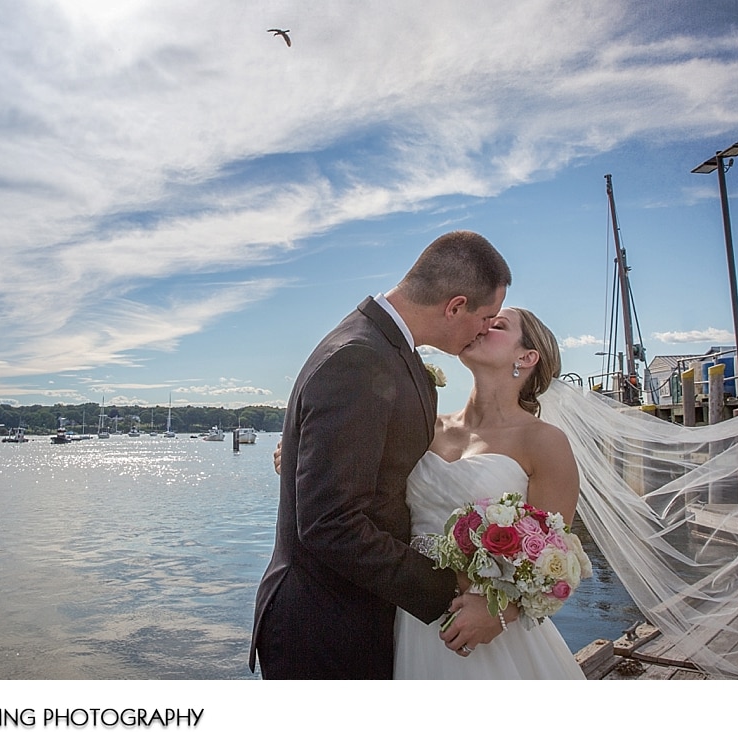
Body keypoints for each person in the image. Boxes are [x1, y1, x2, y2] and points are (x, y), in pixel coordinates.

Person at [249, 231, 513, 679]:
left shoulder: (385, 348)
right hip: (323, 626)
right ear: (455, 306)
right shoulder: (358, 357)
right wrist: (450, 586)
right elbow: (329, 523)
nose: (486, 328)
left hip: (360, 613)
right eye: (485, 317)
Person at [393, 306, 585, 679]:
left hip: (489, 629)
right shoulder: (426, 426)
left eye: (497, 325)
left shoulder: (543, 442)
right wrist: (309, 454)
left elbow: (555, 556)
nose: (481, 326)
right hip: (410, 612)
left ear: (526, 357)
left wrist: (500, 612)